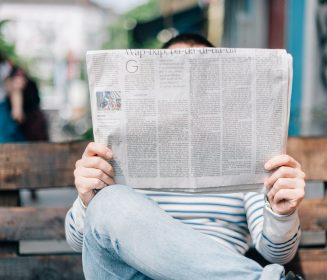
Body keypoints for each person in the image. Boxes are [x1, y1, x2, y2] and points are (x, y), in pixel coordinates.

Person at [65, 33, 305, 280]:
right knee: (109, 202)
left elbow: (277, 253)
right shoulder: (118, 153)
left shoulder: (245, 157)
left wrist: (282, 213)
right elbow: (79, 242)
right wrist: (87, 201)